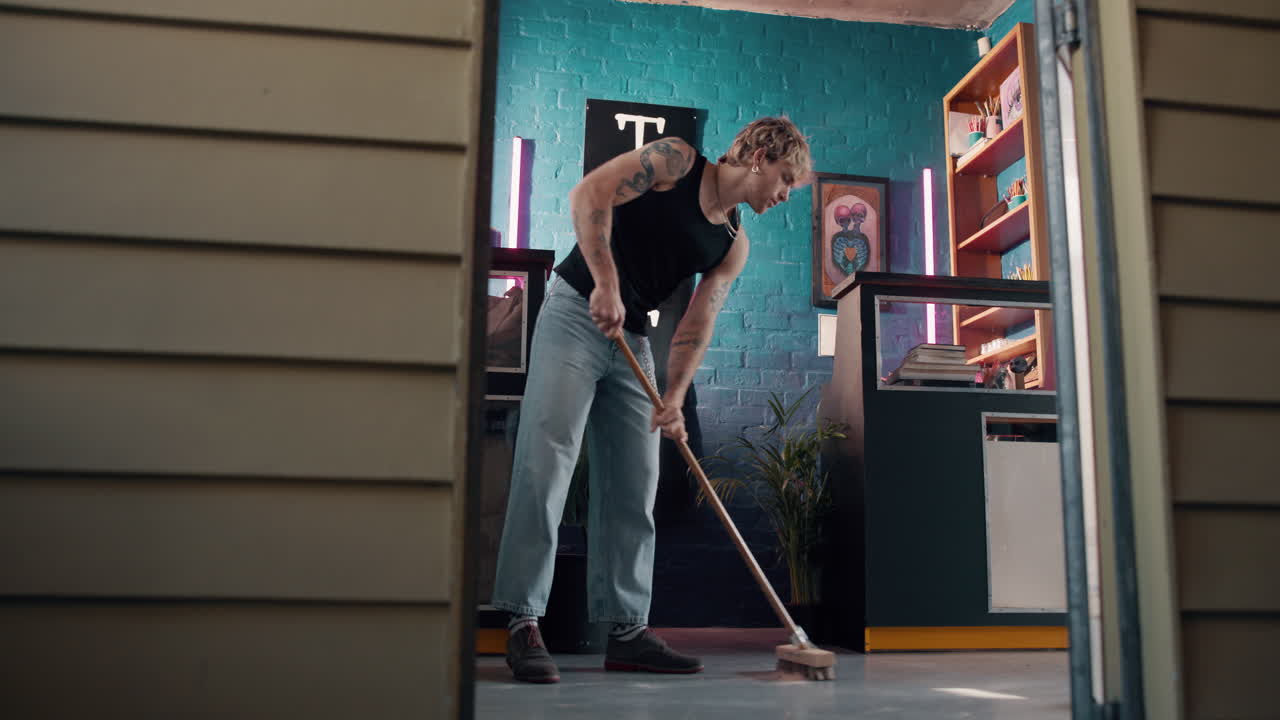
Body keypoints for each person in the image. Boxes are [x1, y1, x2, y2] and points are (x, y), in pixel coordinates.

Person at [492, 117, 812, 683]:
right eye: (786, 179)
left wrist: (674, 396)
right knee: (548, 462)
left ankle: (625, 630)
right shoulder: (677, 160)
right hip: (576, 307)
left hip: (631, 337)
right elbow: (588, 193)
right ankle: (522, 621)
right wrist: (606, 283)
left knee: (635, 483)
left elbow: (698, 322)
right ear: (761, 155)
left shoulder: (733, 244)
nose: (785, 195)